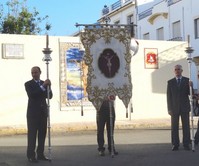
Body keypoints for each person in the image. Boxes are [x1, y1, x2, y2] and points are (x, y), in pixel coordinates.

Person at [25, 66, 53, 163]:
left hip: (42, 113)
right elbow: (33, 95)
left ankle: (40, 154)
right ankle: (31, 155)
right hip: (32, 114)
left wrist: (49, 87)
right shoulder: (28, 84)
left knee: (42, 134)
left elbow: (50, 96)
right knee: (32, 135)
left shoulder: (43, 83)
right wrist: (44, 86)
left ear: (40, 72)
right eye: (32, 72)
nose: (34, 74)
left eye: (36, 72)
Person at [167, 64, 191, 151]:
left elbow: (189, 93)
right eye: (176, 69)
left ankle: (186, 144)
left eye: (179, 69)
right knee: (174, 127)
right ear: (174, 71)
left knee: (186, 127)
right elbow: (168, 97)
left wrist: (190, 86)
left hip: (184, 107)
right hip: (174, 108)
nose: (177, 71)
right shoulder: (170, 82)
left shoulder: (187, 80)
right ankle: (175, 144)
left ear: (182, 71)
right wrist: (169, 109)